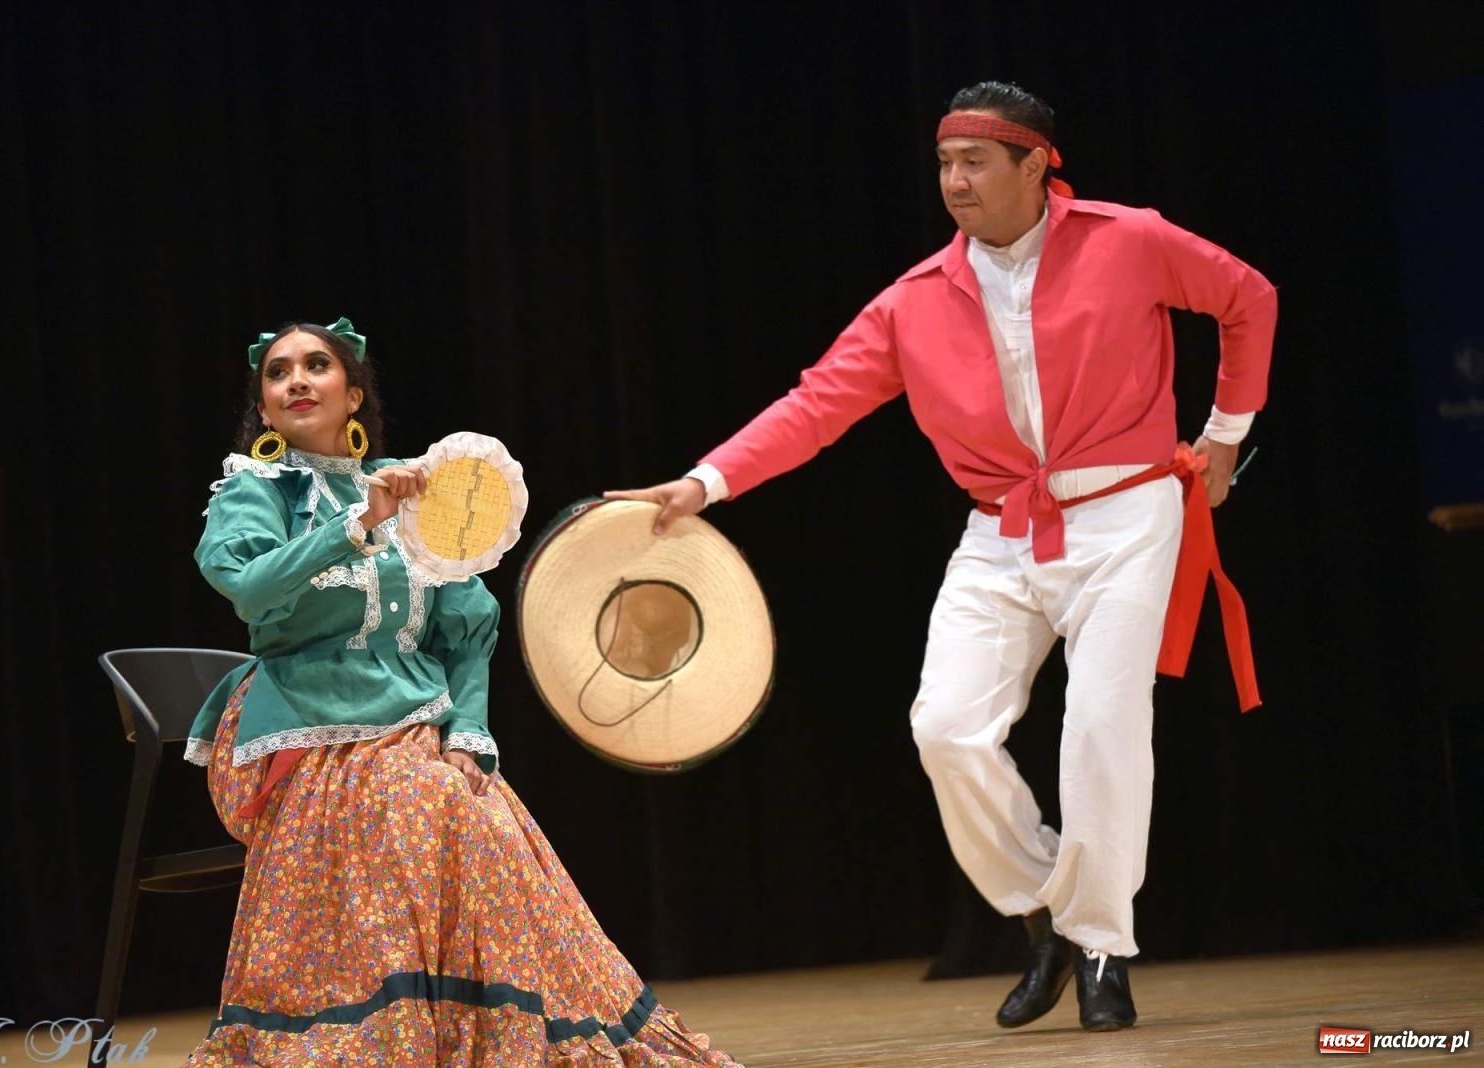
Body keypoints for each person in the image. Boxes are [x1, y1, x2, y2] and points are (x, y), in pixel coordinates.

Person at [606, 82, 1277, 1033]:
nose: (954, 181)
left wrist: (1224, 435)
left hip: (1125, 514)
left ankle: (1100, 943)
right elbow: (816, 404)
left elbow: (1248, 297)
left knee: (1102, 725)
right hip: (1001, 526)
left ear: (1036, 165)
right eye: (944, 163)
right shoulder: (916, 300)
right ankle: (1046, 911)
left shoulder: (1127, 239)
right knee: (947, 729)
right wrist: (704, 482)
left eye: (974, 162)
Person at [182, 318, 740, 1065]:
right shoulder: (257, 490)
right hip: (304, 718)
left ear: (353, 395)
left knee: (482, 817)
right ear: (264, 406)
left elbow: (467, 628)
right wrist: (356, 522)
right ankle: (388, 1034)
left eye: (317, 365)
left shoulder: (416, 487)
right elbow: (251, 588)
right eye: (278, 373)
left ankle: (501, 1036)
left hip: (413, 718)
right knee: (425, 800)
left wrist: (469, 730)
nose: (297, 381)